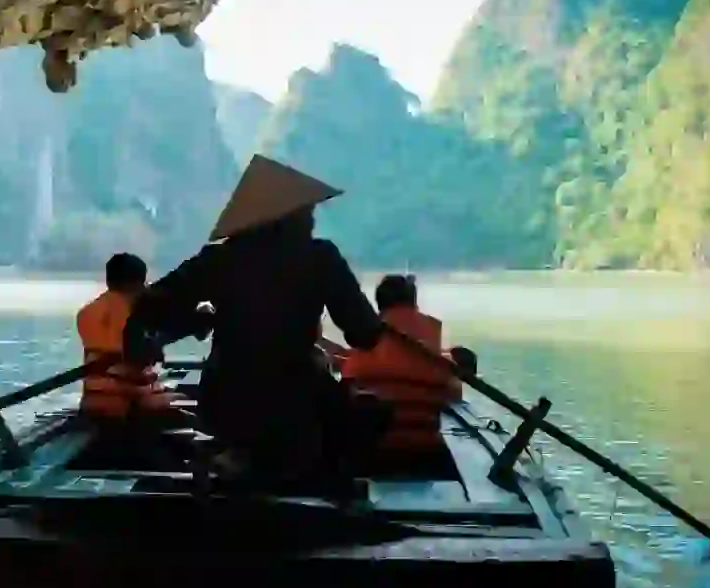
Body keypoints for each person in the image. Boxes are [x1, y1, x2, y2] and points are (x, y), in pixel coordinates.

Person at [121, 155, 384, 483]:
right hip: (296, 399)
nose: (312, 219)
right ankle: (335, 485)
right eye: (307, 211)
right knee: (372, 410)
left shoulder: (219, 259)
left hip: (225, 402)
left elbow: (150, 308)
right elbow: (363, 336)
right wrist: (375, 326)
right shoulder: (321, 258)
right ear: (291, 216)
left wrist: (186, 322)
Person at [339, 274, 477, 453]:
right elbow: (455, 393)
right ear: (414, 304)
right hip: (425, 447)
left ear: (380, 306)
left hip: (373, 450)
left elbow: (346, 383)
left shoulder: (363, 347)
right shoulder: (441, 363)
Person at [75, 253, 181, 425]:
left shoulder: (86, 312)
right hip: (130, 400)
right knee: (186, 401)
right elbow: (149, 357)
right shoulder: (137, 315)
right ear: (136, 284)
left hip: (92, 399)